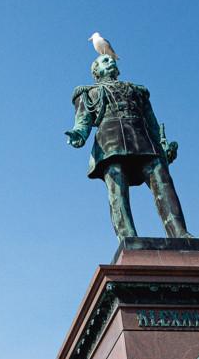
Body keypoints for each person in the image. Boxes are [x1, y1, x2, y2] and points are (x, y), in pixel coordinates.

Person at [65, 53, 190, 240]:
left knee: (162, 180)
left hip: (143, 139)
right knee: (117, 190)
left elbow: (152, 122)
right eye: (105, 61)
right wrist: (78, 134)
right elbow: (82, 120)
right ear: (96, 71)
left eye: (112, 60)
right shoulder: (88, 92)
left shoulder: (137, 91)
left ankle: (180, 233)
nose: (111, 62)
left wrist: (162, 145)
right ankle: (128, 237)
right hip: (110, 141)